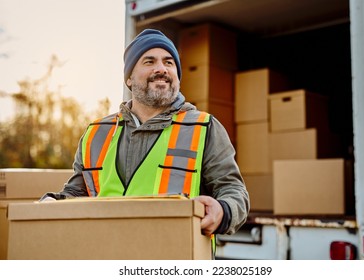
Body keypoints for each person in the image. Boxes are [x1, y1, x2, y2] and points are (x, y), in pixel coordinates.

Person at [40, 29, 249, 237]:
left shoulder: (204, 127)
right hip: (107, 253)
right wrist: (54, 202)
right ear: (129, 79)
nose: (161, 69)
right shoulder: (97, 133)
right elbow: (78, 192)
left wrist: (223, 210)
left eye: (169, 62)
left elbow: (233, 190)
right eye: (149, 62)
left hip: (174, 261)